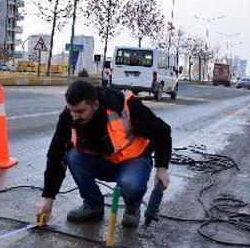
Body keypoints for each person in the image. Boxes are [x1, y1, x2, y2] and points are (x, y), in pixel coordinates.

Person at [36, 80, 172, 227]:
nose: (74, 116)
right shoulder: (69, 116)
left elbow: (163, 131)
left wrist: (162, 168)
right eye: (71, 110)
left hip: (133, 162)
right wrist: (48, 198)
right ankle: (93, 206)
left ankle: (132, 207)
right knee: (73, 157)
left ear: (95, 104)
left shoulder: (125, 107)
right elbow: (56, 154)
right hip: (102, 163)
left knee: (131, 184)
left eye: (80, 111)